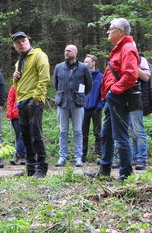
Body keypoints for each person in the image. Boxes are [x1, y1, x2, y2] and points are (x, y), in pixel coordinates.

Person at [88, 18, 140, 181]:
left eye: (111, 28)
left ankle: (125, 175)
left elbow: (131, 75)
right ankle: (105, 169)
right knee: (107, 134)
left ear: (121, 32)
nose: (107, 31)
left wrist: (113, 90)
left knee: (120, 135)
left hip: (119, 97)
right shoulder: (120, 48)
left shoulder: (128, 48)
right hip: (112, 98)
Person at [12, 31, 50, 178]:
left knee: (36, 135)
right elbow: (17, 86)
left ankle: (41, 167)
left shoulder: (38, 55)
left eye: (23, 40)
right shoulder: (19, 61)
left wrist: (37, 98)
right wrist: (15, 78)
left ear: (28, 41)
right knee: (25, 136)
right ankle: (30, 168)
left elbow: (44, 77)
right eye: (18, 42)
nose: (21, 44)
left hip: (33, 101)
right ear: (15, 46)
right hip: (21, 101)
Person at [53, 45, 92, 167]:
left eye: (69, 51)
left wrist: (79, 95)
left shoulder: (83, 68)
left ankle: (78, 157)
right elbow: (56, 84)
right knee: (63, 131)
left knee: (78, 131)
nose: (66, 52)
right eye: (65, 50)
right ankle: (62, 157)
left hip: (77, 103)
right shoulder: (58, 67)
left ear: (75, 52)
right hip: (63, 103)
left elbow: (88, 85)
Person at [82, 54, 104, 163]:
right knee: (83, 133)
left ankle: (98, 154)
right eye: (84, 62)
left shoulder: (101, 77)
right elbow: (80, 92)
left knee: (97, 133)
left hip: (96, 109)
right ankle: (82, 155)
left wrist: (99, 106)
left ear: (93, 63)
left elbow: (103, 93)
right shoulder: (82, 77)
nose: (85, 64)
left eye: (87, 61)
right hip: (84, 109)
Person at [6, 85, 26, 165]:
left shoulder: (28, 85)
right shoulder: (14, 87)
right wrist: (9, 113)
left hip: (25, 114)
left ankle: (19, 155)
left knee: (22, 135)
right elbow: (10, 100)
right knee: (19, 136)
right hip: (15, 115)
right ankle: (22, 156)